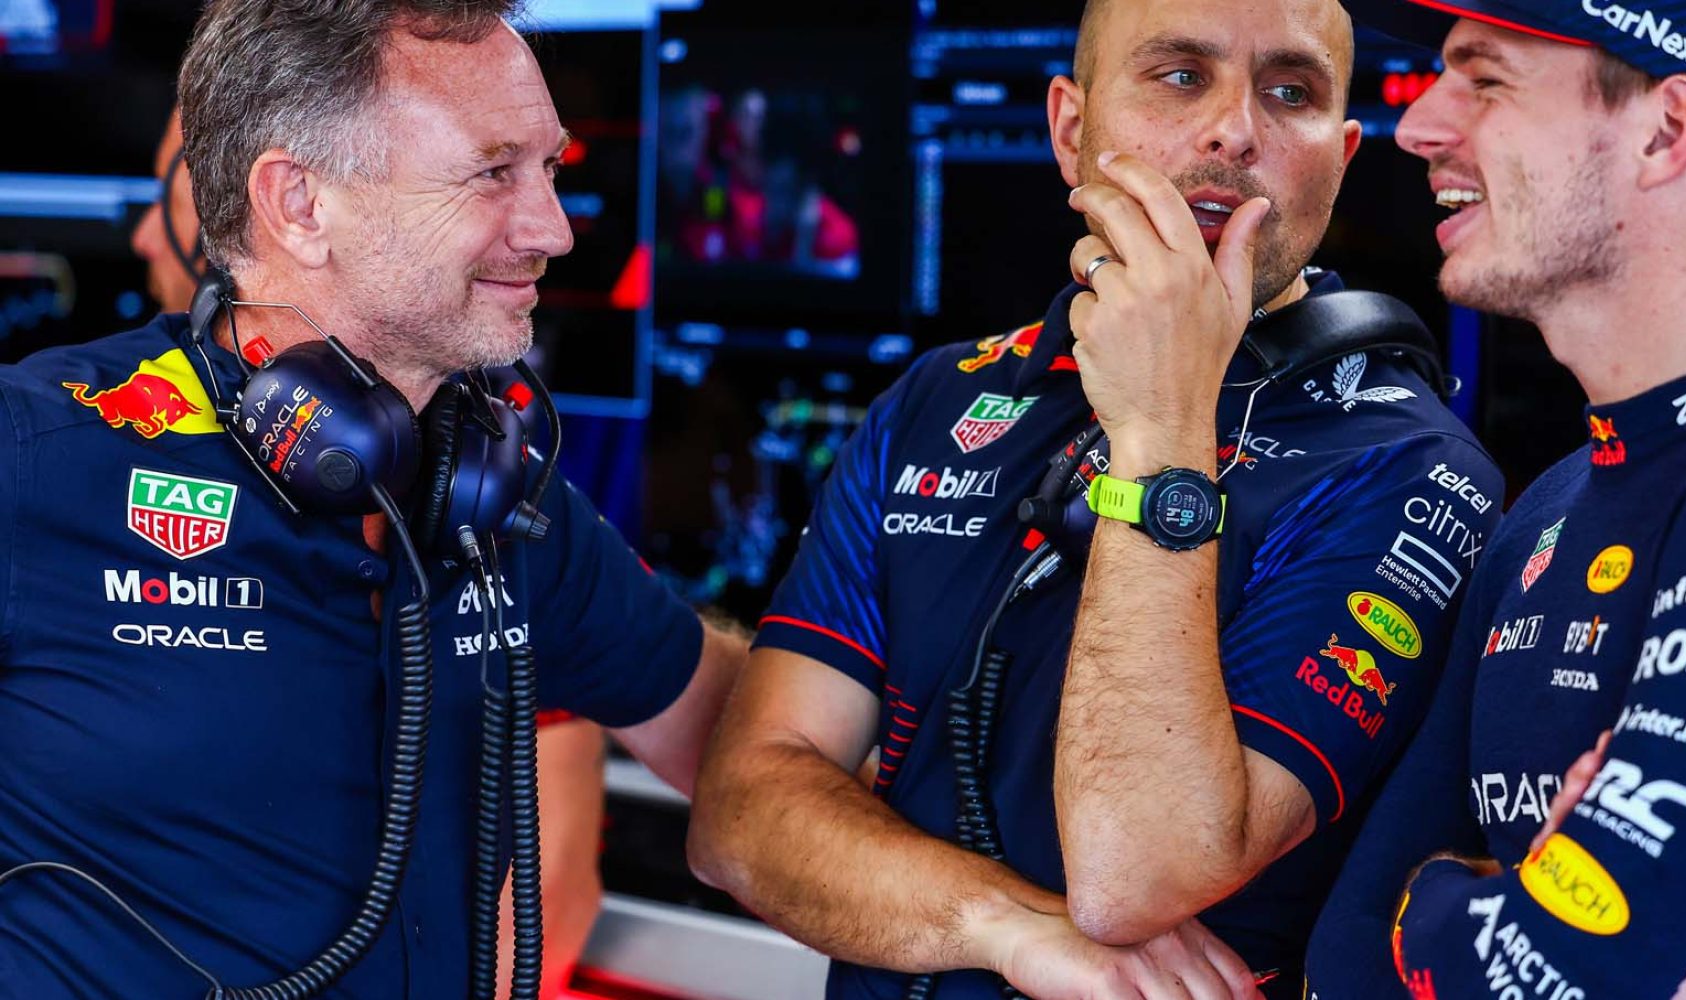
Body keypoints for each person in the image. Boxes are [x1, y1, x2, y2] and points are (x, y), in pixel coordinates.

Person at [687, 0, 1503, 995]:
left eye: (1289, 93)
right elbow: (741, 811)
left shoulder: (1409, 467)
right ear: (1071, 127)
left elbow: (1136, 876)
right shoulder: (939, 401)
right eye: (1179, 75)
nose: (1235, 129)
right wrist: (1006, 924)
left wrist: (1162, 434)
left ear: (1338, 157)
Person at [0, 1, 747, 996]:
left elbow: (755, 749)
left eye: (551, 170)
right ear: (300, 202)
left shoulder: (494, 491)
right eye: (493, 171)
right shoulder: (35, 453)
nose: (554, 229)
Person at [1301, 0, 1686, 993]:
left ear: (1666, 129)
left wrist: (1452, 909)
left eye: (1486, 78)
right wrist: (1483, 914)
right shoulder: (1548, 506)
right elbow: (1348, 949)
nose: (1418, 127)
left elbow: (1568, 963)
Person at [130, 99, 619, 1000]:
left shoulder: (479, 493)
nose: (143, 239)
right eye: (493, 174)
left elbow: (546, 900)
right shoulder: (55, 448)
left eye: (176, 202)